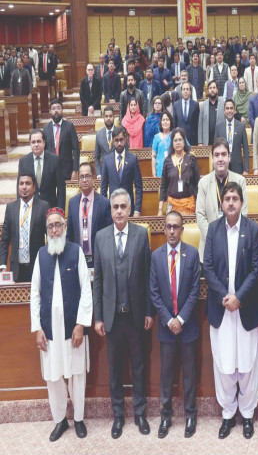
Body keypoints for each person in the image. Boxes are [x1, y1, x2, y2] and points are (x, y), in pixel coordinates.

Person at [203, 182, 258, 440]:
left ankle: (247, 414)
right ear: (221, 203)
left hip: (246, 307)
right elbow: (207, 267)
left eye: (235, 198)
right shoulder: (213, 230)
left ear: (241, 203)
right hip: (221, 308)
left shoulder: (252, 230)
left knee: (248, 362)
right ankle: (228, 413)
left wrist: (239, 297)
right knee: (225, 363)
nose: (230, 202)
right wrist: (225, 298)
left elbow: (257, 269)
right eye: (227, 198)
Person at [93, 189, 153, 439]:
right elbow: (98, 280)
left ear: (129, 210)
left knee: (139, 366)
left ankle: (140, 413)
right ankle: (118, 415)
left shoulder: (141, 235)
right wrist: (98, 317)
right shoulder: (100, 237)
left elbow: (149, 277)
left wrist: (150, 311)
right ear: (111, 211)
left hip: (136, 315)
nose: (118, 211)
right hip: (112, 317)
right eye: (115, 207)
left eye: (122, 207)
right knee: (115, 367)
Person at [30, 208, 93, 442]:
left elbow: (86, 291)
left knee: (77, 374)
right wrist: (37, 328)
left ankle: (78, 419)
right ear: (47, 231)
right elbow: (34, 294)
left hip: (72, 328)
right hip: (49, 330)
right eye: (50, 226)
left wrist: (81, 325)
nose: (55, 229)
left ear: (65, 227)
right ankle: (60, 420)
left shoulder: (76, 252)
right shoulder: (41, 255)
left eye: (58, 225)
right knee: (53, 375)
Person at [149, 212, 201, 439]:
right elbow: (154, 292)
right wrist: (169, 320)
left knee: (189, 373)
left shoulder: (192, 254)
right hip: (166, 326)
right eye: (168, 227)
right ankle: (165, 416)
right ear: (164, 229)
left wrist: (181, 319)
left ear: (182, 229)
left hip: (187, 325)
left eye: (176, 227)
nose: (171, 231)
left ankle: (190, 415)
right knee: (167, 374)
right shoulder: (156, 256)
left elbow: (194, 291)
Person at [196, 138, 248, 260]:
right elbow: (200, 214)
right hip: (209, 248)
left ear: (229, 158)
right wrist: (215, 239)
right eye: (217, 155)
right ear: (212, 158)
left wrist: (229, 237)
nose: (220, 159)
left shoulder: (240, 181)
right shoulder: (203, 183)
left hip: (234, 245)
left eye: (224, 154)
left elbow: (243, 213)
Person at [0, 173, 49, 282]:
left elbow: (49, 237)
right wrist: (3, 266)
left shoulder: (43, 207)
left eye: (28, 183)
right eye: (21, 184)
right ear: (18, 187)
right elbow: (4, 240)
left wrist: (49, 262)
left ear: (34, 187)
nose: (24, 187)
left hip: (37, 267)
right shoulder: (11, 208)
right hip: (16, 268)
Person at [66, 162, 112, 268]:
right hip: (78, 260)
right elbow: (69, 235)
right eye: (81, 177)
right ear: (78, 180)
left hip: (99, 259)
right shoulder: (72, 203)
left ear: (94, 178)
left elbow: (109, 234)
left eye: (87, 176)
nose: (84, 180)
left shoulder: (104, 202)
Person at [100, 127, 143, 217]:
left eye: (121, 140)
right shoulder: (107, 160)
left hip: (128, 207)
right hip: (113, 208)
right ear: (112, 141)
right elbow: (103, 189)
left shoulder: (133, 159)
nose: (119, 143)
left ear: (126, 139)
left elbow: (139, 187)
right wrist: (104, 210)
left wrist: (137, 210)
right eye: (116, 140)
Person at [18, 129, 65, 210]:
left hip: (51, 208)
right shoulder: (23, 162)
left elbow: (61, 189)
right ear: (30, 144)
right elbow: (20, 188)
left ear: (44, 142)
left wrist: (59, 211)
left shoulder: (55, 160)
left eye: (39, 141)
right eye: (33, 142)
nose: (36, 145)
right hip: (31, 209)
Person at [158, 128, 200, 216]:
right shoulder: (167, 161)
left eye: (180, 140)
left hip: (189, 205)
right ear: (172, 143)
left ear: (184, 142)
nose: (178, 142)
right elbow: (163, 186)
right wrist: (160, 210)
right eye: (175, 140)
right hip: (172, 206)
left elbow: (197, 185)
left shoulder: (191, 159)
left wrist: (199, 207)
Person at [44, 99, 80, 181]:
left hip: (67, 170)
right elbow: (44, 150)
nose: (56, 111)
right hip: (51, 170)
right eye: (53, 109)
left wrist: (75, 170)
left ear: (62, 110)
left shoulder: (69, 126)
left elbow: (76, 149)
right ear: (50, 112)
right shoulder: (46, 129)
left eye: (58, 108)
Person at [217, 99, 249, 175]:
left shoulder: (241, 126)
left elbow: (246, 149)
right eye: (227, 108)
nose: (229, 111)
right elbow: (216, 148)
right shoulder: (218, 126)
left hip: (238, 167)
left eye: (231, 108)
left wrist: (246, 169)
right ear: (224, 111)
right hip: (223, 165)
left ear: (234, 110)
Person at [94, 107, 119, 178]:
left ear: (114, 117)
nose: (108, 118)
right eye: (106, 116)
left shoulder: (120, 132)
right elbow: (96, 157)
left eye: (110, 116)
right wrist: (98, 174)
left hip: (118, 171)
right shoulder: (99, 134)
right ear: (103, 118)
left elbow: (125, 153)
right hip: (103, 172)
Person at [173, 82, 200, 146]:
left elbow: (197, 123)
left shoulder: (195, 105)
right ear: (181, 91)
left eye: (187, 89)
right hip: (179, 139)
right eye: (184, 89)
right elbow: (174, 123)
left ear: (190, 92)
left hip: (192, 139)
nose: (185, 91)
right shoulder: (176, 105)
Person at [151, 111, 175, 178]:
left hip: (173, 168)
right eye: (163, 120)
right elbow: (153, 156)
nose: (165, 122)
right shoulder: (156, 137)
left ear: (171, 121)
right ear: (161, 122)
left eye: (167, 120)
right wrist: (154, 173)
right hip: (160, 170)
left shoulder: (175, 135)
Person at [197, 80, 219, 146]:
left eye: (214, 88)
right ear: (208, 90)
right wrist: (200, 142)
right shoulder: (203, 105)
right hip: (206, 142)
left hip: (220, 141)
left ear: (217, 90)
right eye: (210, 88)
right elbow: (200, 125)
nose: (212, 90)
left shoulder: (223, 103)